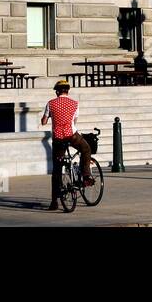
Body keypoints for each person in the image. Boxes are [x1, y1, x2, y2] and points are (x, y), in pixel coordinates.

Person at [41, 79, 93, 209]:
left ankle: (54, 202)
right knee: (86, 149)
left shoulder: (51, 103)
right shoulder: (75, 104)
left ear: (58, 91)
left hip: (58, 138)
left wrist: (50, 116)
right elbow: (74, 122)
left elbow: (43, 122)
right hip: (72, 135)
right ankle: (86, 175)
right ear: (67, 91)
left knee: (57, 169)